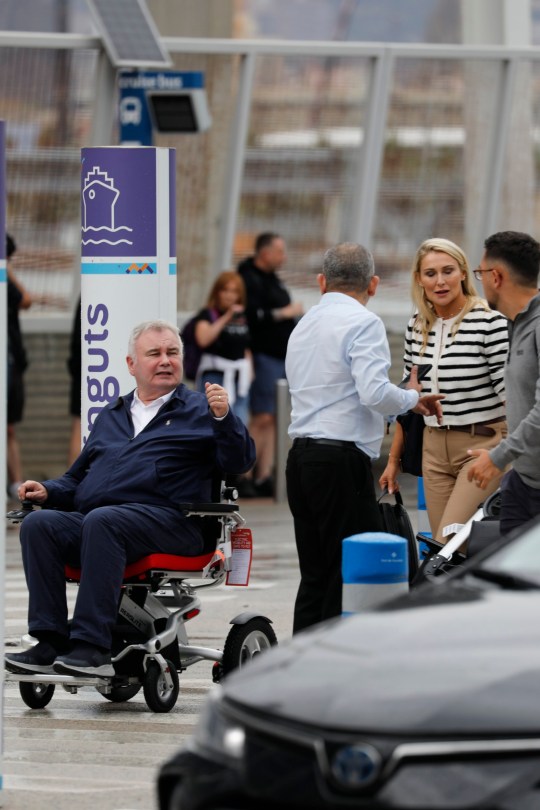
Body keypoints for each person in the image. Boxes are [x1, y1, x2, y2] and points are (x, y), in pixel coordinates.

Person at [5, 319, 255, 678]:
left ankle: (92, 648)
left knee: (104, 520)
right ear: (131, 365)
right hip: (105, 525)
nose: (165, 360)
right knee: (40, 524)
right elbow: (77, 478)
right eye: (154, 353)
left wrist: (224, 418)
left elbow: (240, 461)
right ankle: (49, 642)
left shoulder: (201, 410)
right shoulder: (113, 414)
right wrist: (48, 491)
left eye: (172, 353)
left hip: (175, 522)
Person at [285, 242, 444, 634]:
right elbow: (373, 392)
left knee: (315, 572)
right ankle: (333, 665)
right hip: (340, 460)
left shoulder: (303, 324)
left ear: (322, 282)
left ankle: (298, 667)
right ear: (373, 284)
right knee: (347, 569)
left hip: (300, 458)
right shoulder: (363, 323)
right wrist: (411, 399)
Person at [379, 238, 508, 543]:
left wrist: (509, 451)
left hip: (480, 444)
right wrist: (393, 462)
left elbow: (512, 395)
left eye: (448, 271)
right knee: (442, 548)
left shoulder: (489, 322)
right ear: (419, 280)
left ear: (463, 273)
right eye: (430, 273)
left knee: (453, 544)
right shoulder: (417, 325)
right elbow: (410, 399)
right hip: (433, 449)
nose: (440, 281)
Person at [467, 231, 540, 534]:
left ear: (496, 276)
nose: (480, 281)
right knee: (508, 580)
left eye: (480, 273)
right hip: (522, 485)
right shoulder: (516, 324)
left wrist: (498, 457)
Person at [238, 232, 304, 496]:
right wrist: (285, 313)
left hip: (281, 358)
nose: (283, 257)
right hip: (264, 356)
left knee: (275, 416)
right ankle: (245, 473)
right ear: (265, 253)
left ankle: (265, 475)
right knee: (262, 416)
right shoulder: (248, 279)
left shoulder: (273, 280)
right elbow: (253, 316)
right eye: (279, 251)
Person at [194, 271, 252, 426]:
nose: (229, 296)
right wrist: (226, 316)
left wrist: (250, 368)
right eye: (225, 290)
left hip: (239, 377)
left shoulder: (242, 317)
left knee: (239, 423)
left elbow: (244, 345)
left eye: (234, 291)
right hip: (215, 376)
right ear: (217, 292)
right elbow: (203, 339)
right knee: (213, 423)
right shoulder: (208, 314)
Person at [6, 233, 31, 501]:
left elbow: (25, 299)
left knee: (9, 425)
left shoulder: (7, 282)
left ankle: (15, 483)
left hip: (11, 356)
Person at [67, 295, 82, 465]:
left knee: (78, 427)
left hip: (82, 370)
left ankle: (72, 485)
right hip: (85, 372)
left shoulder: (88, 292)